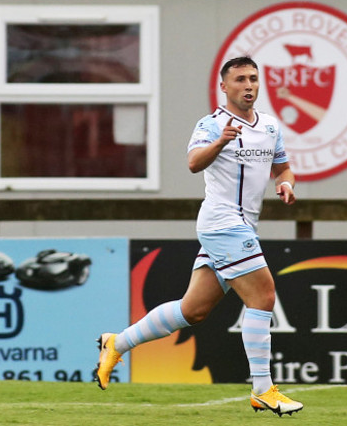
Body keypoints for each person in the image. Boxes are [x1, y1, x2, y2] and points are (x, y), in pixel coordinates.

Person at [95, 56, 303, 417]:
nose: (248, 85)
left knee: (193, 311)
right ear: (224, 87)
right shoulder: (211, 125)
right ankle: (263, 389)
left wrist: (285, 183)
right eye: (240, 79)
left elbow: (282, 167)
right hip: (222, 223)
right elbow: (193, 163)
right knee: (264, 296)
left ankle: (117, 342)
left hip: (241, 227)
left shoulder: (269, 127)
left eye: (253, 78)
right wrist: (221, 142)